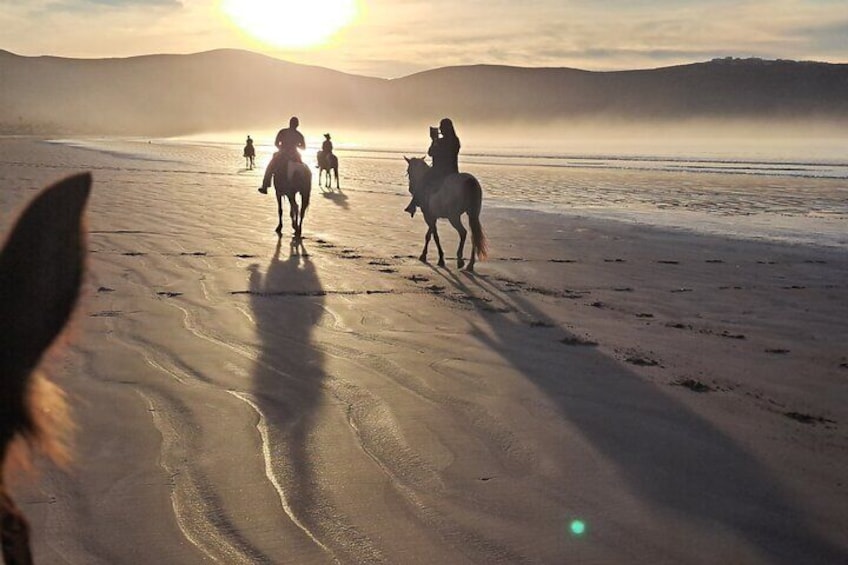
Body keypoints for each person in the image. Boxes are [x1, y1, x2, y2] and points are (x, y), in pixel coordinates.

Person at [405, 118, 461, 216]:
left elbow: (430, 153)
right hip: (453, 170)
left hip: (440, 170)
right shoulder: (456, 140)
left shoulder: (440, 141)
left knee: (422, 181)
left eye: (442, 127)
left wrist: (434, 140)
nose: (441, 129)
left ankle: (413, 205)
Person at [259, 116, 306, 194]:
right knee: (303, 169)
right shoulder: (299, 135)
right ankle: (303, 187)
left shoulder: (282, 132)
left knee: (270, 167)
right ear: (297, 125)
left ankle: (265, 185)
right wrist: (296, 145)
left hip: (282, 153)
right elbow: (303, 147)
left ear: (290, 123)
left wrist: (281, 148)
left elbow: (276, 143)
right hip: (295, 154)